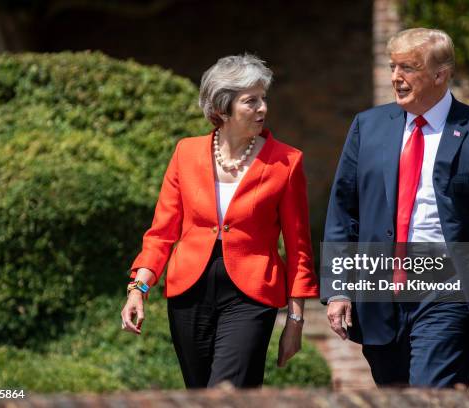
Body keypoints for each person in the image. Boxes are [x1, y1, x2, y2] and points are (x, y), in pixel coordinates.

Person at [324, 28, 469, 387]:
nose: (396, 78)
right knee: (394, 394)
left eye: (409, 68)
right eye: (393, 66)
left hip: (447, 292)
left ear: (440, 74)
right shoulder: (366, 127)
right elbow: (343, 212)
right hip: (380, 293)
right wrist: (339, 288)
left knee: (432, 394)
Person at [120, 54, 319, 388]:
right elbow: (162, 232)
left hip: (252, 294)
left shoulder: (287, 162)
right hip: (189, 291)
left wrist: (295, 321)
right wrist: (138, 288)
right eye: (250, 101)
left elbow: (299, 248)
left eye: (263, 99)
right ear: (222, 108)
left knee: (226, 392)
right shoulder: (186, 153)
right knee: (200, 393)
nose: (263, 108)